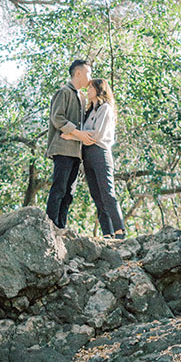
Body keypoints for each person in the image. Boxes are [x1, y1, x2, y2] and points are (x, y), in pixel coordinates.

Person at [62, 76, 126, 239]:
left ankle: (119, 230)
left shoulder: (105, 108)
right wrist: (80, 135)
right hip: (87, 155)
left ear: (99, 90)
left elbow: (96, 135)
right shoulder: (90, 111)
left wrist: (73, 136)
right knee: (96, 195)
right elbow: (85, 133)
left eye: (91, 88)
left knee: (107, 192)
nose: (87, 90)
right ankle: (107, 233)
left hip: (100, 153)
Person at [45, 58, 90, 230]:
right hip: (62, 150)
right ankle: (49, 227)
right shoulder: (63, 92)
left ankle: (61, 227)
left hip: (76, 153)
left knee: (69, 193)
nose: (89, 77)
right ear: (78, 73)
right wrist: (78, 134)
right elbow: (57, 118)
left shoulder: (82, 97)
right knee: (59, 189)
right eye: (88, 73)